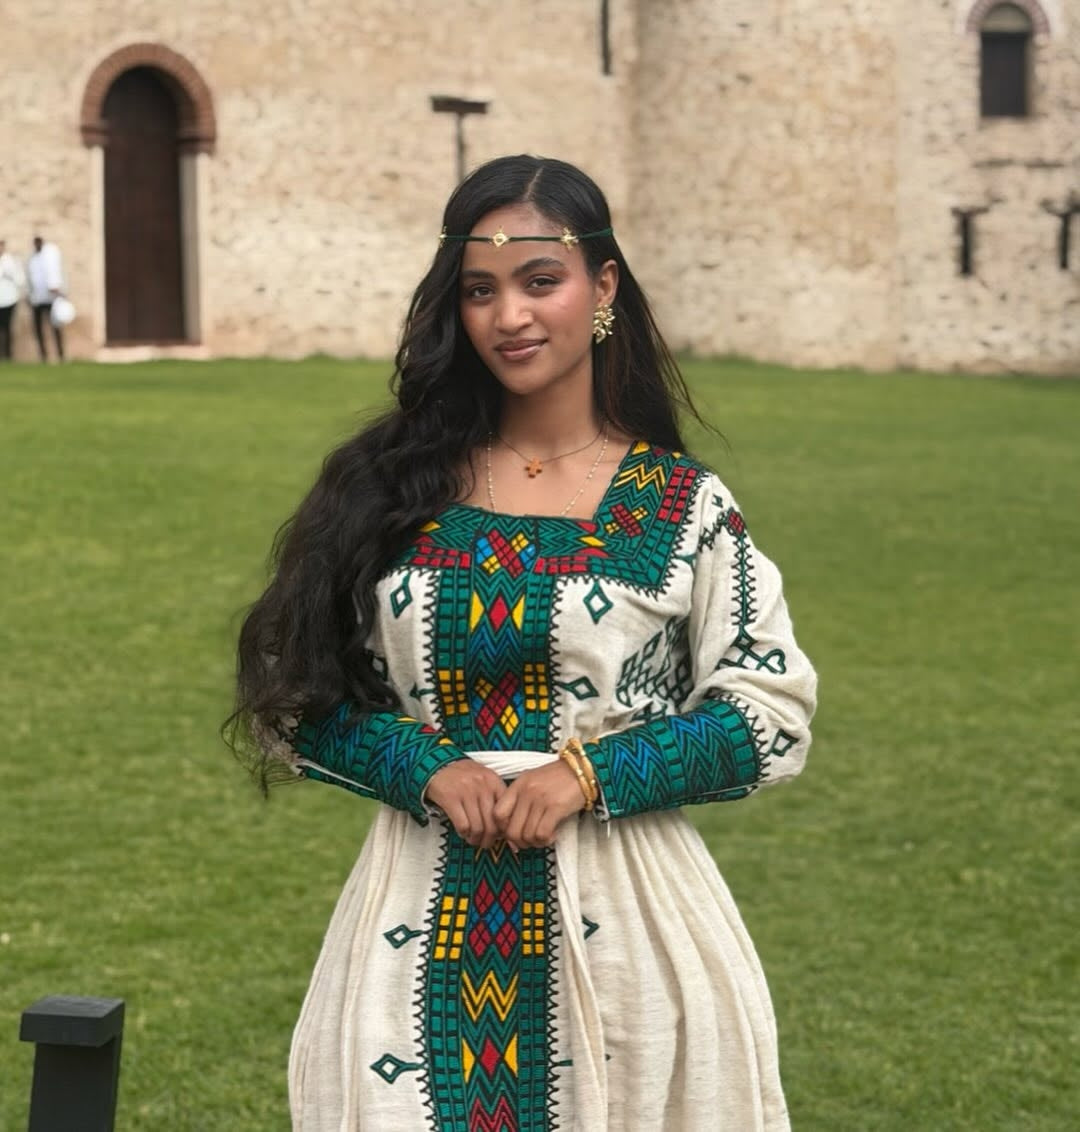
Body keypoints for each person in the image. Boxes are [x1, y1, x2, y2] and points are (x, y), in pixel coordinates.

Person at [232, 154, 817, 1131]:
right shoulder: (389, 485)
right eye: (480, 290)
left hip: (628, 923)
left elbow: (768, 710)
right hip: (415, 922)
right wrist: (423, 763)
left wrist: (584, 775)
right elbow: (294, 695)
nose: (511, 315)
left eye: (541, 280)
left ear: (602, 287)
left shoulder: (678, 505)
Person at [26, 234, 65, 361]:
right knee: (38, 328)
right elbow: (30, 278)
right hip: (37, 299)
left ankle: (60, 354)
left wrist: (56, 288)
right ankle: (43, 355)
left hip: (50, 298)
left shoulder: (49, 255)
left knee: (55, 326)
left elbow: (54, 273)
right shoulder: (32, 258)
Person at [0, 239, 25, 360]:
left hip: (9, 300)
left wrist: (9, 273)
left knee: (7, 327)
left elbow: (20, 279)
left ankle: (8, 355)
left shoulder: (10, 261)